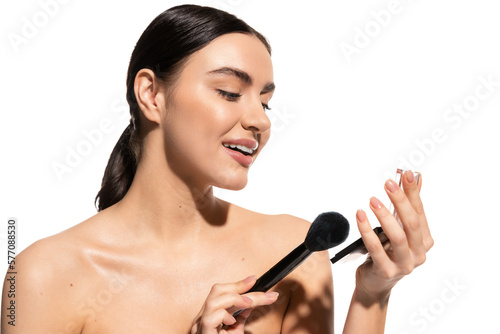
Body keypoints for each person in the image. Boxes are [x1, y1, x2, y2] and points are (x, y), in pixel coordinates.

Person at [1, 5, 433, 333]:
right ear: (151, 94)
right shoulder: (42, 275)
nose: (260, 120)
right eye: (229, 92)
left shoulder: (296, 252)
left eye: (265, 101)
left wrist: (373, 294)